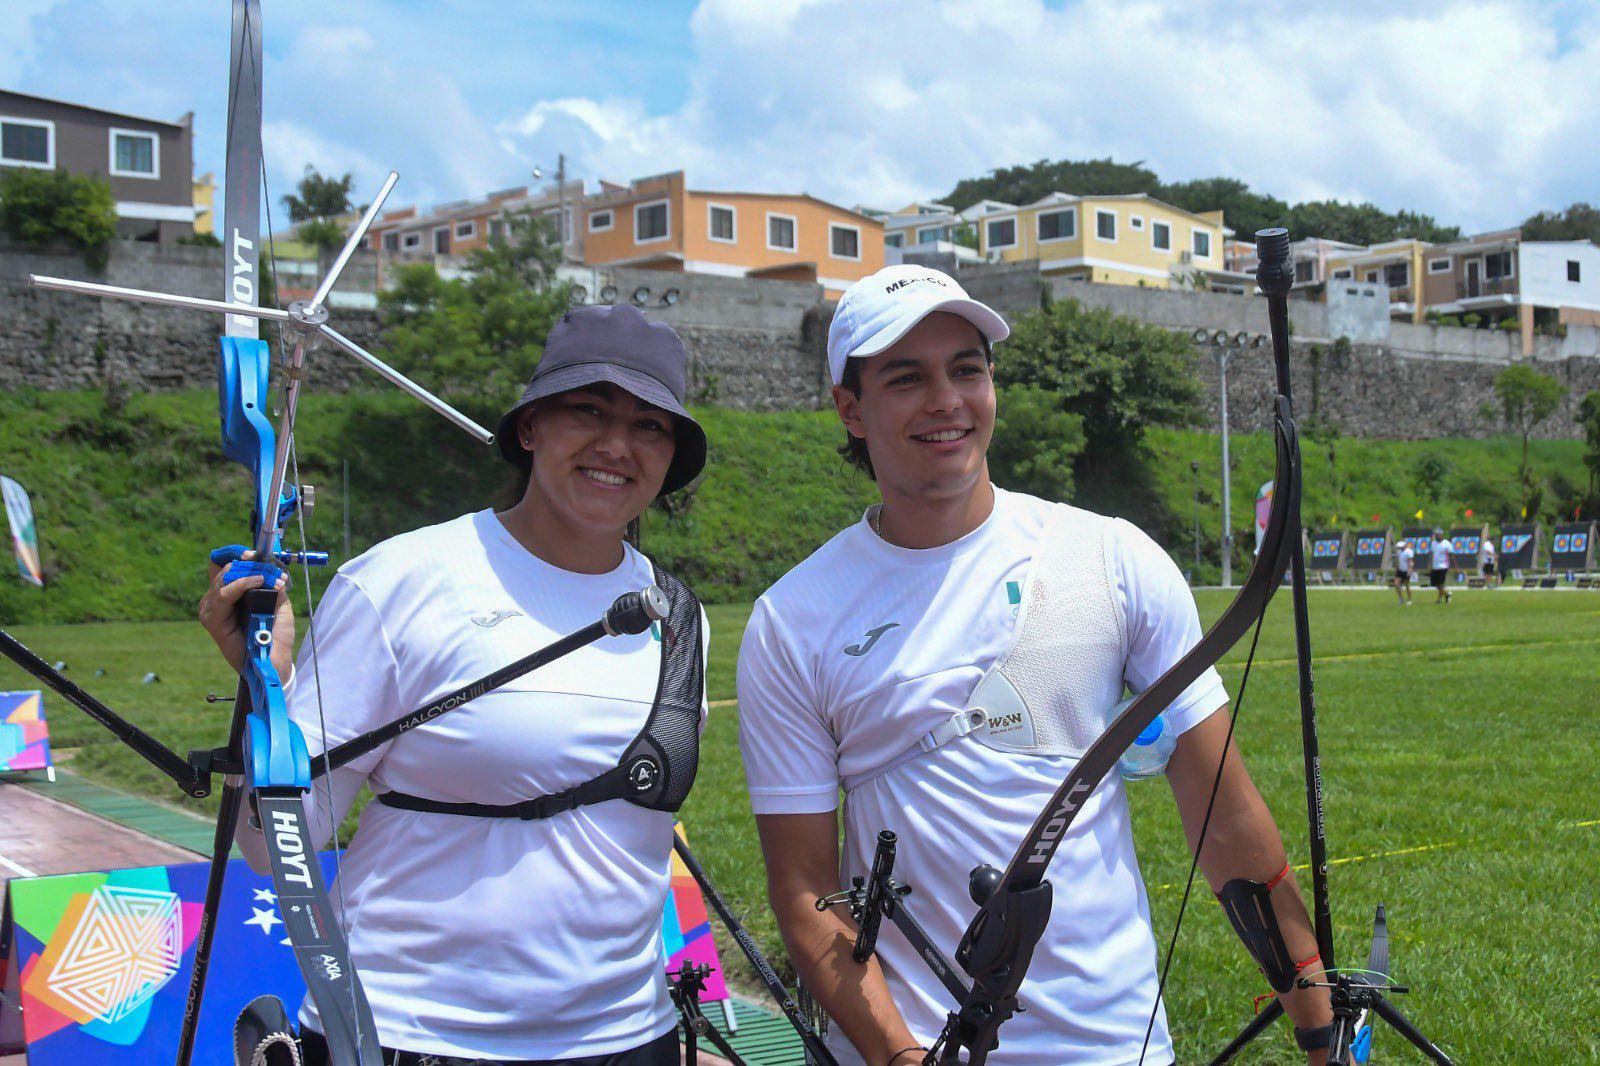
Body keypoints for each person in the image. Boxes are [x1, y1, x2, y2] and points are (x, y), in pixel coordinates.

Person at [735, 265, 1334, 1066]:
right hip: (922, 1047)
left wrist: (1321, 1024)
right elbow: (808, 893)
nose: (946, 399)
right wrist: (899, 1055)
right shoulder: (793, 618)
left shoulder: (1111, 557)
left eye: (968, 370)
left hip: (1114, 1045)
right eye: (907, 378)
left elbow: (1223, 814)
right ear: (850, 407)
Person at [200, 304, 710, 1066]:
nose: (616, 445)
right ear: (530, 427)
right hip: (410, 1034)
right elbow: (278, 851)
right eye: (588, 410)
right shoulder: (400, 581)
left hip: (627, 1035)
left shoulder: (678, 615)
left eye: (649, 426)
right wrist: (266, 697)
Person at [1428, 529, 1453, 603]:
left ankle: (1439, 600)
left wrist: (1450, 566)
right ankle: (1446, 594)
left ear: (1441, 535)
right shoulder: (1433, 543)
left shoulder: (1447, 544)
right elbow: (1431, 555)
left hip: (1443, 566)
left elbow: (1450, 555)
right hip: (1435, 566)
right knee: (1435, 584)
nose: (1436, 536)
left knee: (1440, 584)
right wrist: (1430, 565)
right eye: (1435, 534)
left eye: (1437, 534)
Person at [1394, 540, 1415, 605]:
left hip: (1406, 571)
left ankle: (1409, 600)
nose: (1399, 548)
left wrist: (1409, 571)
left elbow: (1410, 562)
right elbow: (1398, 560)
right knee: (1396, 584)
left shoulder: (1409, 552)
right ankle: (1401, 599)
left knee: (1407, 586)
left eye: (1400, 547)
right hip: (1400, 570)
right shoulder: (1399, 551)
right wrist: (1396, 568)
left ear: (1404, 546)